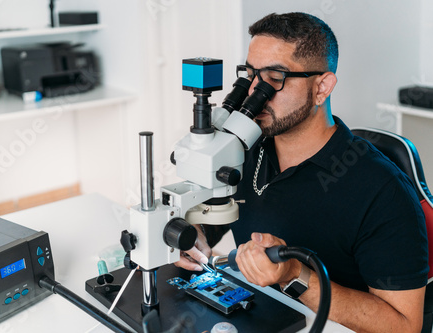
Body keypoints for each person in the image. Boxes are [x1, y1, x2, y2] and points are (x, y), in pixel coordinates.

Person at [177, 12, 429, 332]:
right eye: (251, 74)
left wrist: (294, 275)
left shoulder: (383, 190)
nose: (256, 91)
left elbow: (406, 326)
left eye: (275, 77)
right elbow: (211, 222)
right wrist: (191, 239)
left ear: (322, 87)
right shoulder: (242, 151)